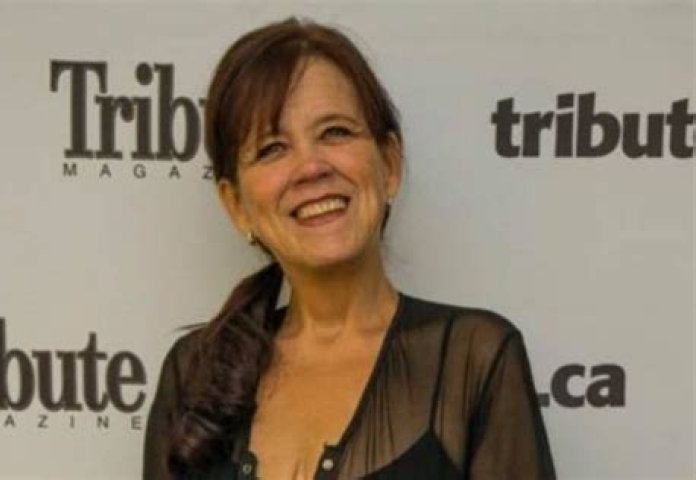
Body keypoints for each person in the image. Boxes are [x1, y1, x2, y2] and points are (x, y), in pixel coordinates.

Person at [143, 17, 556, 480]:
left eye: (335, 132)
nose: (311, 167)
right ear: (236, 205)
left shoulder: (473, 359)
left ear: (390, 164)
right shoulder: (193, 375)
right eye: (272, 148)